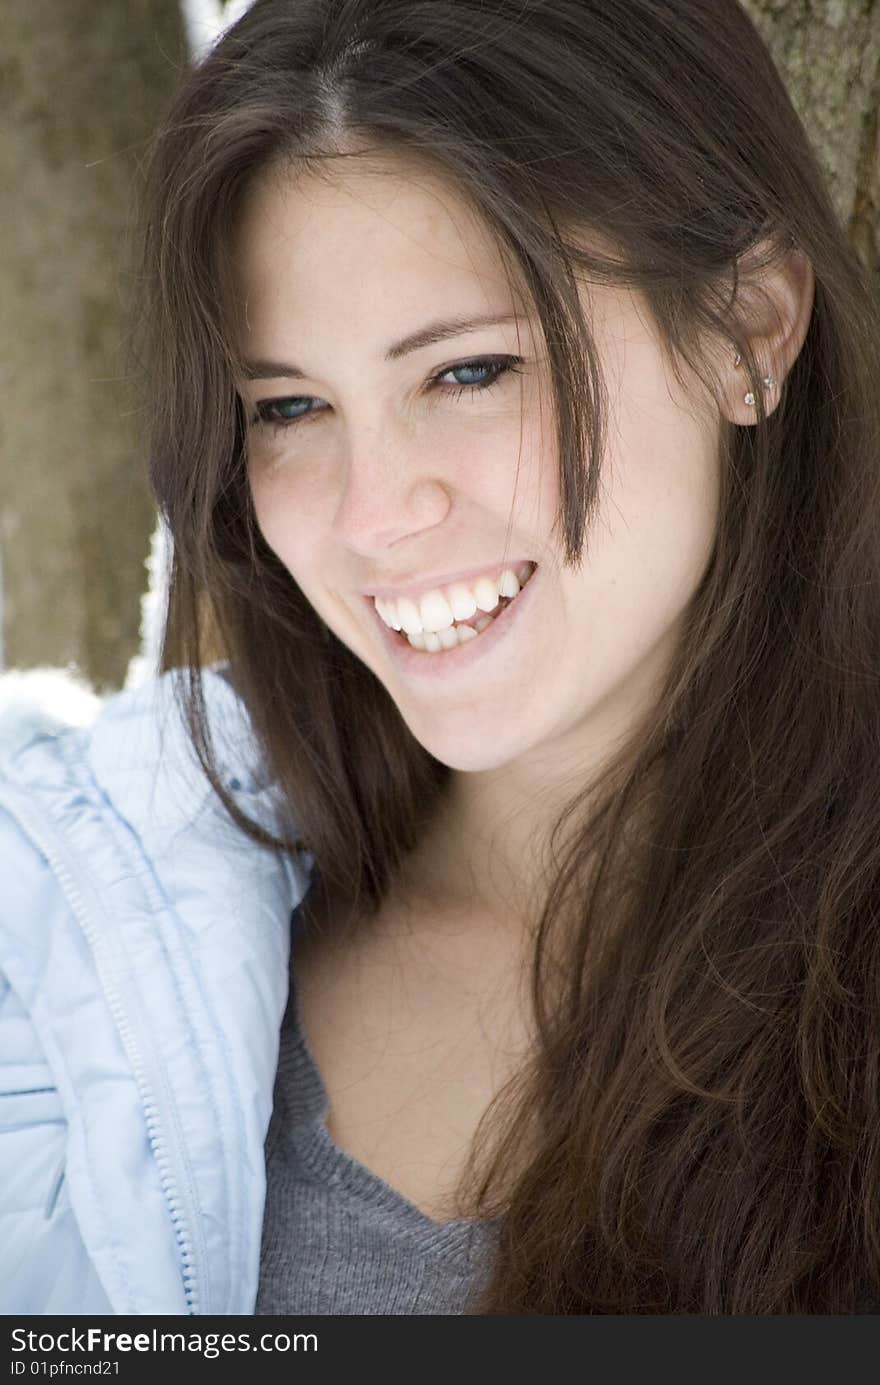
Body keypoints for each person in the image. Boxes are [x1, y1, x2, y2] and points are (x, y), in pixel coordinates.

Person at [2, 0, 879, 1316]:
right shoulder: (72, 937)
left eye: (468, 373)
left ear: (748, 326)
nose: (371, 515)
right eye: (289, 406)